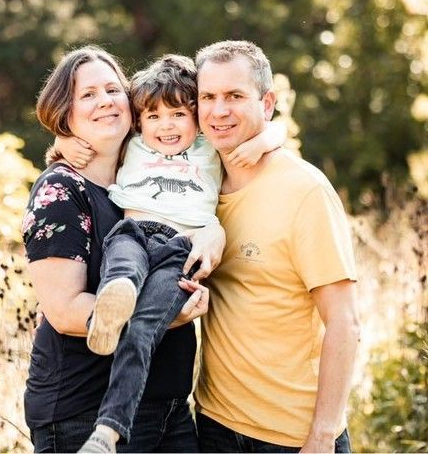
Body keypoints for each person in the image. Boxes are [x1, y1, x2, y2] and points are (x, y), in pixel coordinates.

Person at [71, 55, 284, 454]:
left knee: (143, 332)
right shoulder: (131, 145)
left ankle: (106, 433)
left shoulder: (208, 149)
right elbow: (85, 137)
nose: (165, 126)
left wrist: (264, 140)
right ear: (139, 120)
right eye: (152, 116)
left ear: (196, 118)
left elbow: (272, 128)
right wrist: (64, 141)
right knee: (123, 266)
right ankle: (114, 298)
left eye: (177, 115)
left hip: (178, 249)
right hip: (133, 232)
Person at [22, 46, 222, 453]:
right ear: (66, 112)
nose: (104, 101)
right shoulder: (60, 190)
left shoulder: (143, 171)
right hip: (84, 409)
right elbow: (63, 312)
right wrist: (169, 317)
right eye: (87, 95)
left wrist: (213, 230)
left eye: (113, 89)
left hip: (167, 403)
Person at [193, 41, 359, 453]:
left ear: (267, 103)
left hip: (290, 437)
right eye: (208, 97)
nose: (219, 110)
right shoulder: (198, 183)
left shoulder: (304, 191)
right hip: (214, 425)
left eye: (235, 96)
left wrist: (322, 435)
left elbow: (344, 321)